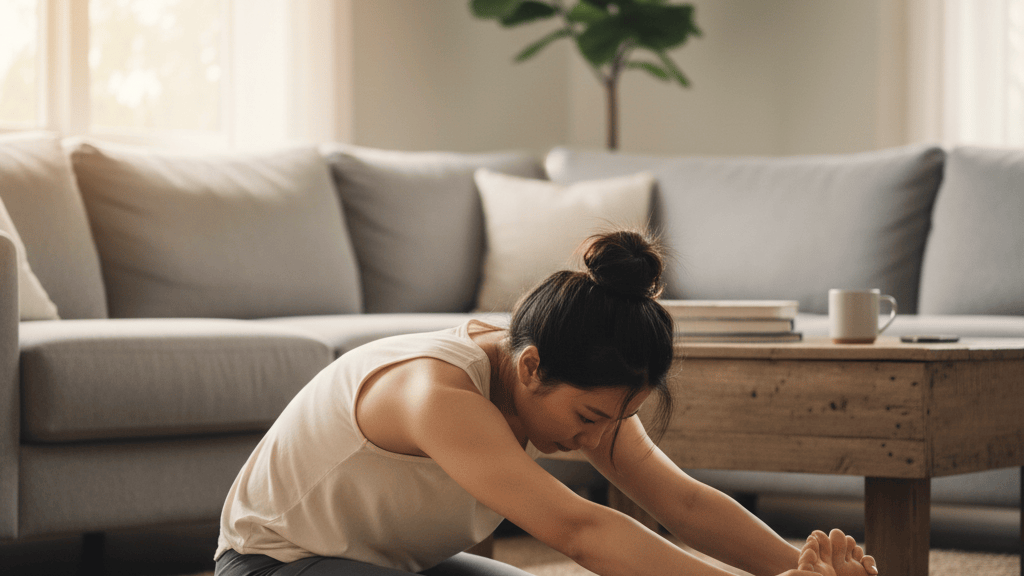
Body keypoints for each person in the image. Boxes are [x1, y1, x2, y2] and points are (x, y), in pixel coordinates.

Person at [214, 229, 879, 576]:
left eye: (617, 422)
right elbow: (583, 533)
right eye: (592, 419)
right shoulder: (437, 394)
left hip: (385, 563)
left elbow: (681, 503)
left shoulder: (577, 376)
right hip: (275, 567)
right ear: (530, 367)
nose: (600, 441)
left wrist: (796, 568)